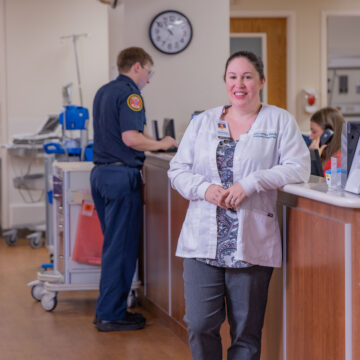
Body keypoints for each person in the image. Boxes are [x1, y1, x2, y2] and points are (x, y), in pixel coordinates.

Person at [167, 51, 310, 359]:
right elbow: (177, 170)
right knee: (200, 324)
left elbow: (298, 167)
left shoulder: (279, 120)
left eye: (247, 76)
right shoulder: (203, 122)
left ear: (261, 81)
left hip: (251, 246)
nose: (239, 84)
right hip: (204, 244)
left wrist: (252, 182)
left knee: (246, 333)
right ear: (225, 82)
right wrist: (205, 189)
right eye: (233, 77)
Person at [91, 47, 177, 332]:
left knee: (113, 246)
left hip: (102, 174)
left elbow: (131, 133)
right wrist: (163, 144)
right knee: (121, 248)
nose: (149, 79)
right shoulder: (131, 95)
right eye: (149, 72)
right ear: (137, 67)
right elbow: (130, 138)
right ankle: (111, 315)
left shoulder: (104, 91)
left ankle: (108, 309)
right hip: (120, 177)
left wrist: (153, 140)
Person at [309, 106, 345, 174]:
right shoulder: (323, 156)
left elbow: (317, 184)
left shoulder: (336, 161)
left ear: (328, 133)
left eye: (314, 132)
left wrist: (314, 159)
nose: (310, 137)